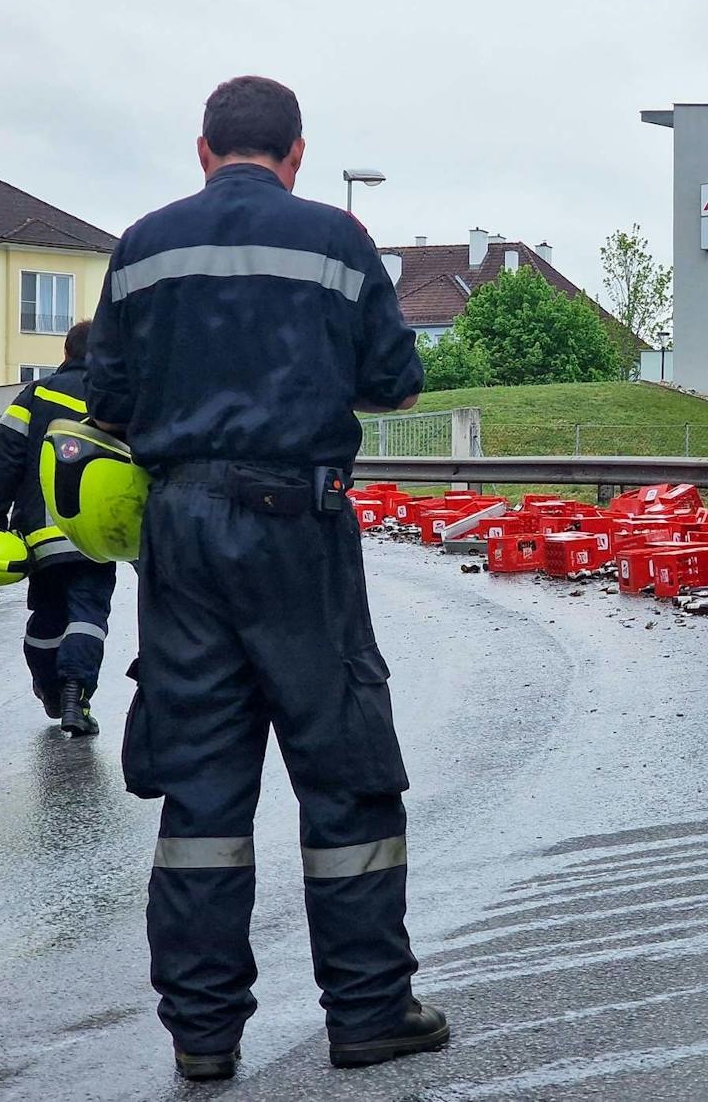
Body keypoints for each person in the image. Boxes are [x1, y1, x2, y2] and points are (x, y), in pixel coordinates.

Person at [87, 75, 440, 1081]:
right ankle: (368, 1013)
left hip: (180, 528)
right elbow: (392, 380)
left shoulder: (145, 244)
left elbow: (105, 399)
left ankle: (203, 1037)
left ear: (202, 149)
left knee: (199, 789)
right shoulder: (335, 238)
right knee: (344, 774)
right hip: (298, 523)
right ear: (294, 153)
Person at [0, 322, 116, 736]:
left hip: (41, 533)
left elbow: (5, 456)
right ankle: (77, 693)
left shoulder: (35, 394)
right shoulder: (116, 398)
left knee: (48, 615)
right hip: (96, 536)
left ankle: (51, 690)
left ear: (66, 351)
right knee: (89, 614)